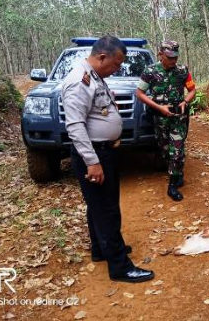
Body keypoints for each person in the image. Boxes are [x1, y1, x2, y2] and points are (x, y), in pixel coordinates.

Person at [61, 35, 155, 283]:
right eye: (116, 64)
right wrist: (92, 162)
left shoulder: (94, 77)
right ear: (102, 57)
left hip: (103, 150)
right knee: (107, 210)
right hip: (94, 153)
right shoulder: (78, 81)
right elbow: (75, 126)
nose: (117, 69)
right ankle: (120, 266)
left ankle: (101, 249)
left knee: (99, 206)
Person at [136, 41, 196, 202]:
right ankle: (177, 171)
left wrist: (185, 101)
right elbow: (140, 93)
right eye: (169, 57)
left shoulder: (183, 71)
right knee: (165, 149)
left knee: (176, 151)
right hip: (160, 118)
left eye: (175, 57)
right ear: (160, 54)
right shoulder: (150, 71)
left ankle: (172, 185)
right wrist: (159, 107)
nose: (173, 61)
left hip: (179, 118)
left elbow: (192, 90)